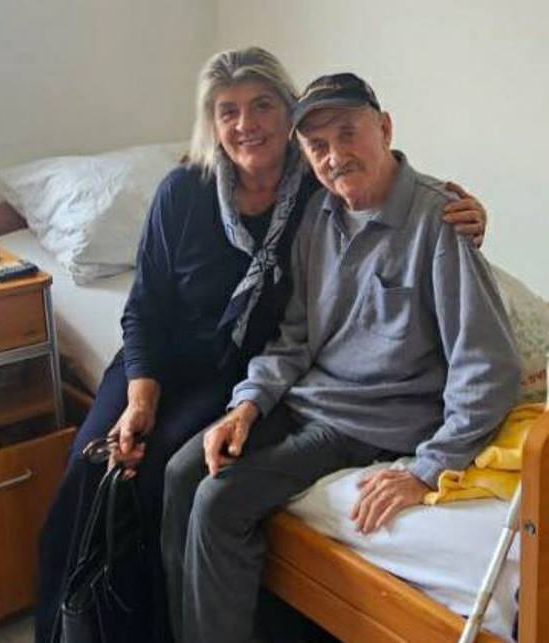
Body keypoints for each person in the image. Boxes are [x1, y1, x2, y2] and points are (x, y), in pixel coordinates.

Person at [35, 51, 486, 643]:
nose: (246, 124)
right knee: (94, 465)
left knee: (165, 475)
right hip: (167, 361)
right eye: (228, 112)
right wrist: (144, 398)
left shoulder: (321, 193)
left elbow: (391, 198)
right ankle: (76, 627)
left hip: (242, 371)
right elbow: (144, 309)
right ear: (213, 124)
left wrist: (462, 215)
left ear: (289, 116)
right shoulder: (189, 193)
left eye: (263, 106)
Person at [160, 72, 521, 643]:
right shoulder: (319, 216)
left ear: (385, 129)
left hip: (370, 424)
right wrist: (246, 406)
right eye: (318, 145)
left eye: (348, 134)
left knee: (219, 501)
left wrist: (426, 469)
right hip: (311, 397)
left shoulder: (440, 222)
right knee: (182, 472)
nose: (334, 156)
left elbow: (488, 369)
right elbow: (296, 336)